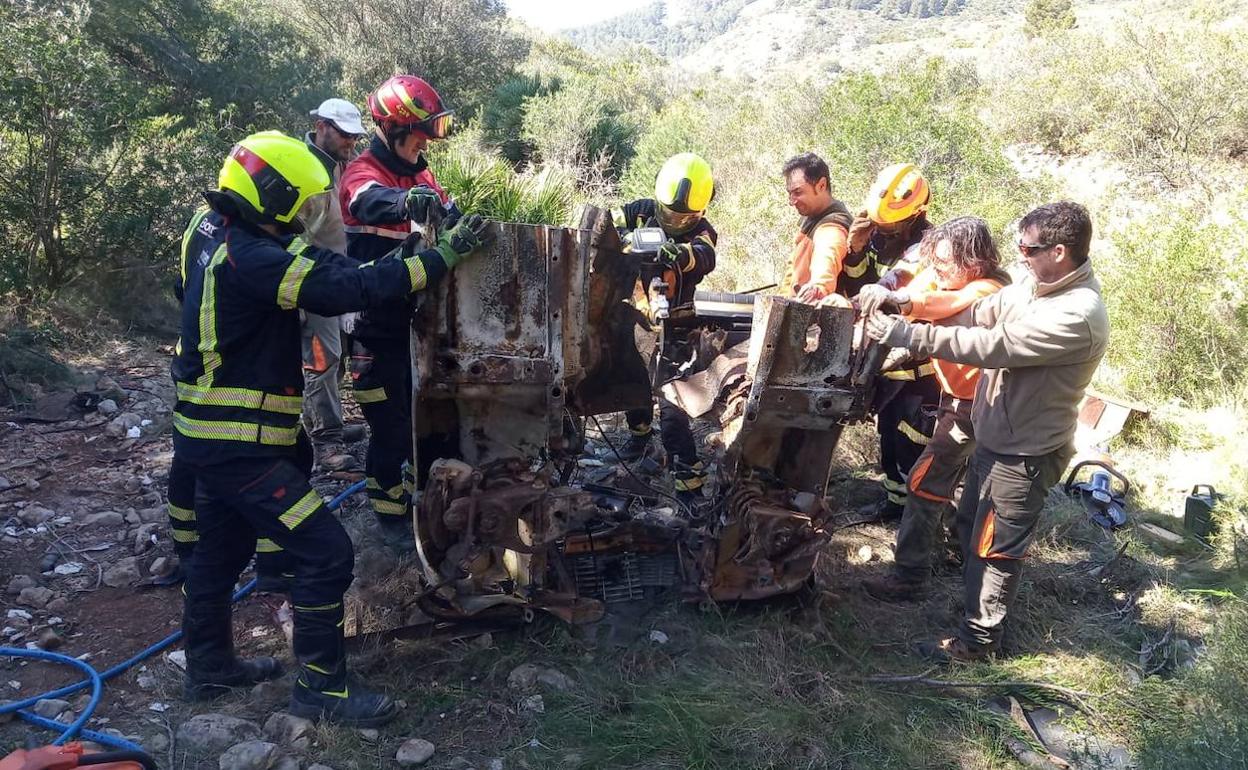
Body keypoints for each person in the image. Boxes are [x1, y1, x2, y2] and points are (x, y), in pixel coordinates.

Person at [172, 130, 490, 724]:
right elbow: (349, 284)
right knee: (326, 553)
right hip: (242, 443)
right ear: (270, 198)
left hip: (203, 435)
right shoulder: (258, 259)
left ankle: (210, 669)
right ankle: (320, 689)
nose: (312, 214)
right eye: (304, 203)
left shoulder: (214, 234)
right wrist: (439, 257)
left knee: (219, 552)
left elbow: (327, 267)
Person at [865, 201, 1108, 661]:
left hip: (1025, 452)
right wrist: (904, 303)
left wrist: (909, 335)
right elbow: (978, 315)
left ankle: (978, 643)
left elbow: (992, 346)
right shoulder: (1035, 287)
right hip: (995, 432)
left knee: (995, 544)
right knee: (971, 523)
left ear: (1059, 251)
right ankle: (963, 604)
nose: (1019, 255)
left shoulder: (1076, 314)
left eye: (1028, 248)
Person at [856, 217, 1010, 602]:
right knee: (970, 488)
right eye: (935, 265)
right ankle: (960, 554)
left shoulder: (989, 291)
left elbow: (944, 304)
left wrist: (901, 303)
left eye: (945, 267)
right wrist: (883, 289)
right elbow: (919, 286)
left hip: (982, 407)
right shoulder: (946, 278)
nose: (937, 274)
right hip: (958, 401)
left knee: (926, 482)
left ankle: (911, 576)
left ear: (973, 262)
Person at [339, 75, 458, 553]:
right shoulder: (363, 172)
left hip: (421, 326)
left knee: (427, 420)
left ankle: (431, 503)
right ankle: (389, 525)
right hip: (375, 328)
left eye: (429, 134)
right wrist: (405, 202)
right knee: (389, 429)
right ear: (391, 129)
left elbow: (444, 212)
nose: (424, 143)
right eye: (418, 134)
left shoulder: (422, 175)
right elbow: (365, 200)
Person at [612, 153, 718, 500]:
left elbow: (705, 255)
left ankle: (689, 482)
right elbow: (606, 221)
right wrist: (623, 236)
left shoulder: (703, 232)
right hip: (637, 318)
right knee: (631, 378)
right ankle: (640, 438)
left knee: (672, 402)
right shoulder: (641, 210)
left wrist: (678, 253)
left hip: (679, 327)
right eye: (668, 212)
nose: (673, 220)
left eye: (682, 216)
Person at [852, 163, 939, 521]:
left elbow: (897, 279)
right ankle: (895, 503)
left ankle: (918, 514)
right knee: (888, 433)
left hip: (918, 367)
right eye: (880, 224)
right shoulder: (876, 235)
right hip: (886, 359)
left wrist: (880, 290)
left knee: (912, 439)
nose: (882, 231)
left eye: (890, 226)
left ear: (914, 217)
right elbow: (859, 278)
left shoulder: (930, 246)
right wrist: (856, 250)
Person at [301, 98, 368, 471]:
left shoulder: (341, 166)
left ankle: (328, 423)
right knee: (322, 360)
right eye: (344, 135)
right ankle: (325, 442)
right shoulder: (304, 169)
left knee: (335, 357)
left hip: (338, 279)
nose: (351, 142)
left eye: (354, 136)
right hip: (312, 283)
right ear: (322, 126)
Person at [778, 152, 854, 305]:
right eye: (790, 193)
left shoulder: (832, 228)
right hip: (793, 307)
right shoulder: (812, 216)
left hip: (813, 318)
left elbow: (827, 257)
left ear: (821, 185)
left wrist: (818, 288)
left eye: (798, 192)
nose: (791, 201)